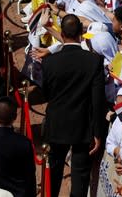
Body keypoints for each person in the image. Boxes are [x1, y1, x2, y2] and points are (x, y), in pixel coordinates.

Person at [41, 14, 107, 197]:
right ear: (81, 33)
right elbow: (97, 99)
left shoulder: (49, 61)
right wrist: (97, 132)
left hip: (56, 123)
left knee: (53, 171)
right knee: (80, 175)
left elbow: (46, 93)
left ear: (61, 34)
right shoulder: (94, 61)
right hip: (82, 125)